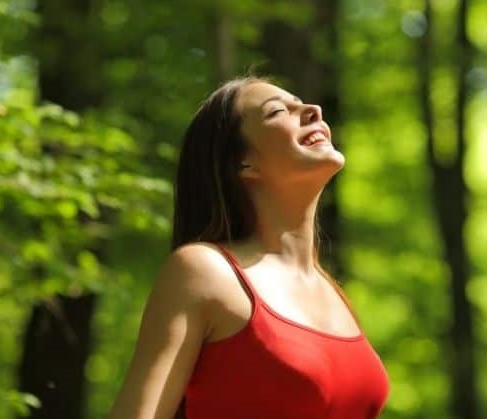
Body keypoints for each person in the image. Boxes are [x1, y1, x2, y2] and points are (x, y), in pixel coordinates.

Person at [109, 77, 390, 418]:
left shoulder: (331, 291)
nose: (312, 110)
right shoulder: (204, 271)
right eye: (277, 112)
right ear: (244, 164)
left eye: (303, 102)